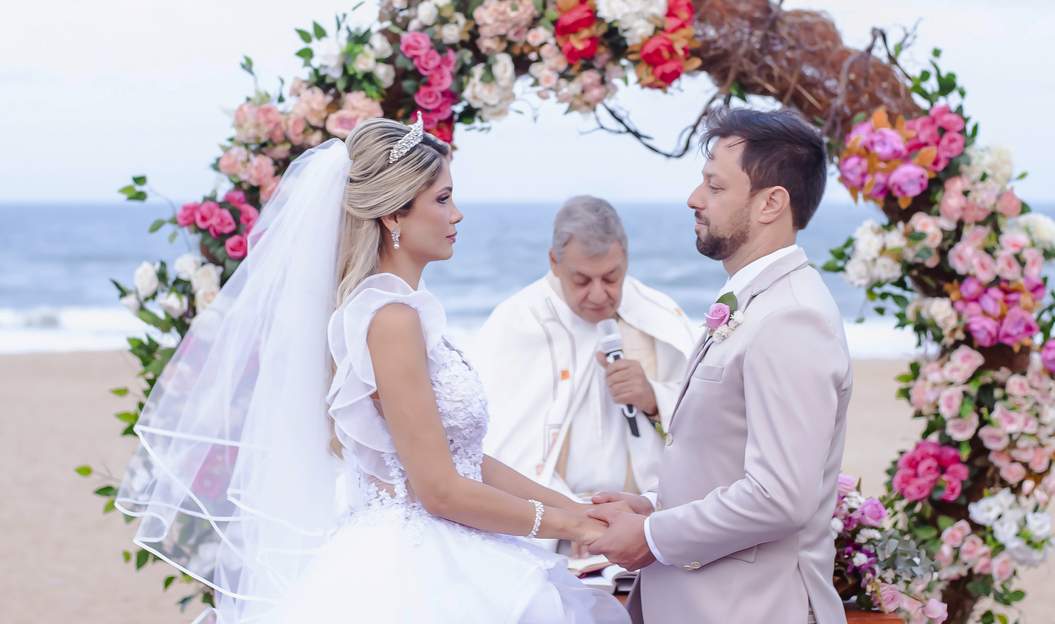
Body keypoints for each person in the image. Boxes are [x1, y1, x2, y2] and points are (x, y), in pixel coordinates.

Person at [115, 117, 630, 624]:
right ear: (393, 216)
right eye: (443, 199)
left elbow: (465, 459)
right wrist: (569, 527)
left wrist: (575, 509)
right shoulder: (390, 320)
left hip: (451, 541)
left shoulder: (399, 312)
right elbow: (439, 490)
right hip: (418, 566)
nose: (458, 214)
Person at [587, 108, 854, 624]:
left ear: (771, 203)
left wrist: (652, 536)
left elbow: (780, 497)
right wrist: (655, 506)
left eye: (715, 185)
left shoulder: (791, 317)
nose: (694, 198)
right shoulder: (756, 301)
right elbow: (727, 456)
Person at [471, 197, 696, 555]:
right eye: (581, 279)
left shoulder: (661, 316)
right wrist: (574, 520)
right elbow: (493, 449)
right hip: (549, 532)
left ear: (626, 260)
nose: (598, 294)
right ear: (554, 263)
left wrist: (653, 398)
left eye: (611, 277)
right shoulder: (514, 324)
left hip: (641, 523)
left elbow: (708, 429)